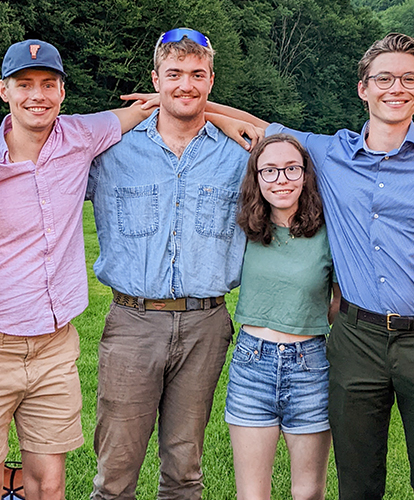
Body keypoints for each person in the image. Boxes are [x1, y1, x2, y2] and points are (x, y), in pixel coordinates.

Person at [212, 33, 414, 500]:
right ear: (363, 88)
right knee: (357, 481)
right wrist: (175, 105)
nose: (397, 88)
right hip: (355, 340)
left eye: (409, 78)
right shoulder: (329, 153)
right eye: (384, 77)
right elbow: (258, 129)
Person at [0, 39, 153, 500]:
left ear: (62, 92)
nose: (37, 95)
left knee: (49, 483)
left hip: (55, 348)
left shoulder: (82, 135)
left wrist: (180, 96)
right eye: (25, 85)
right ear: (4, 91)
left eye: (48, 84)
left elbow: (148, 109)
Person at [86, 28, 251, 499]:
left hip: (207, 323)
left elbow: (293, 144)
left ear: (211, 81)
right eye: (174, 74)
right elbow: (44, 151)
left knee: (184, 471)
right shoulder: (111, 150)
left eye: (197, 75)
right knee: (115, 473)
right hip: (132, 321)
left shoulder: (238, 152)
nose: (186, 85)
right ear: (154, 79)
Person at [227, 133, 340, 500]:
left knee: (308, 492)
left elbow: (339, 302)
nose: (282, 180)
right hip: (251, 363)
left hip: (310, 367)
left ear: (306, 174)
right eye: (270, 171)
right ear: (256, 177)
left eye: (292, 169)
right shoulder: (244, 229)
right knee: (252, 494)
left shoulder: (328, 232)